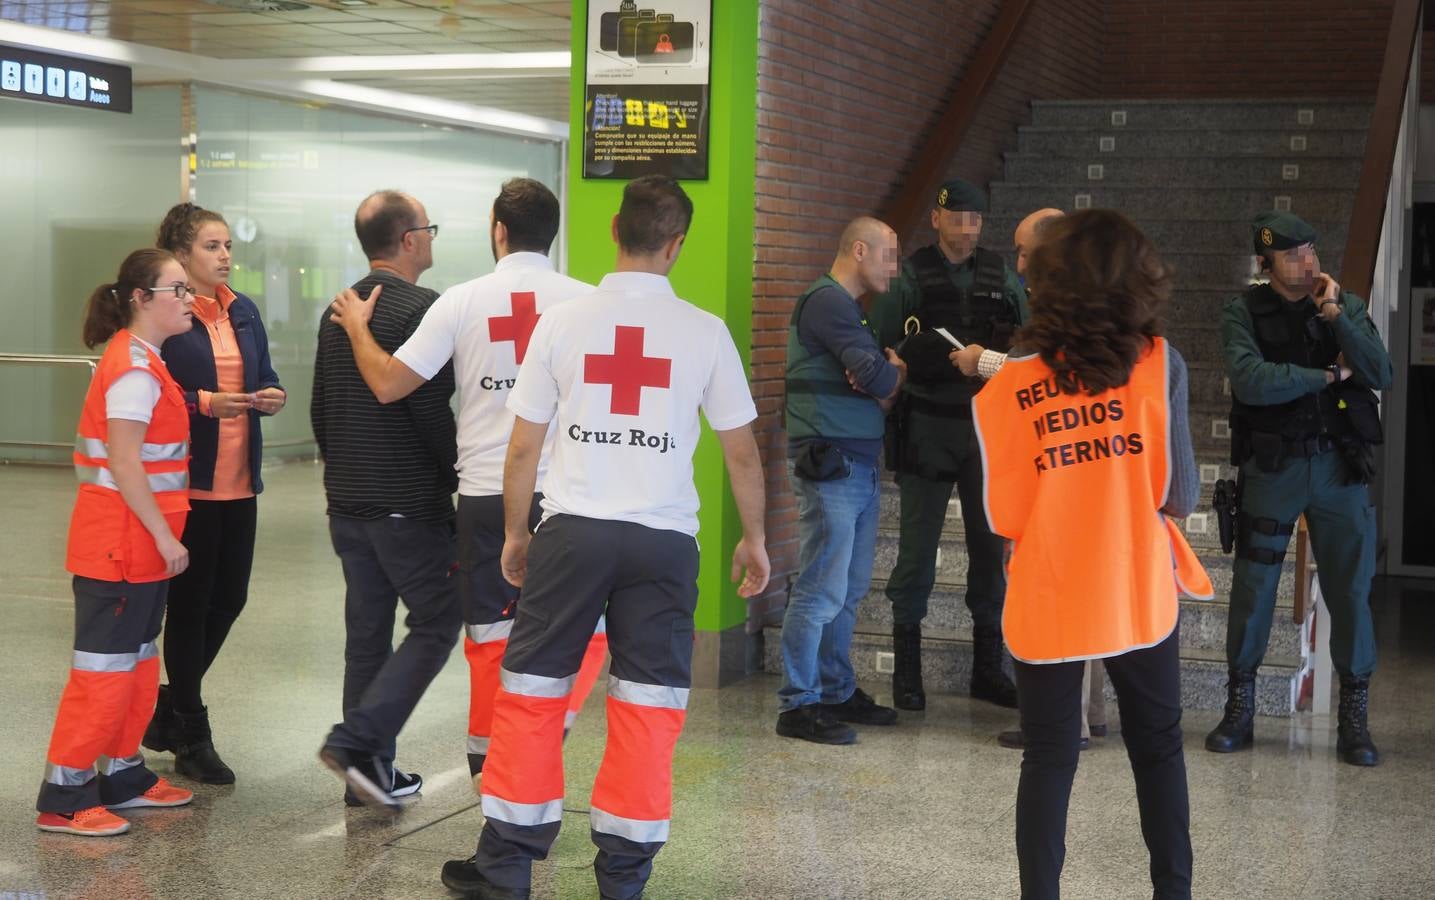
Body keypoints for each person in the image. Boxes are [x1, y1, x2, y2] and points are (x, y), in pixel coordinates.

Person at [439, 175, 770, 900]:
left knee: (529, 694)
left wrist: (517, 535)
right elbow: (741, 451)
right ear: (676, 245)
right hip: (662, 545)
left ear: (614, 230)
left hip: (573, 533)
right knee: (649, 705)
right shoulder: (703, 332)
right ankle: (622, 877)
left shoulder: (564, 322)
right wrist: (754, 539)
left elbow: (523, 448)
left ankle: (506, 868)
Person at [326, 179, 610, 784]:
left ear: (497, 230)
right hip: (567, 496)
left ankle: (492, 765)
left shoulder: (458, 301)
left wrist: (357, 328)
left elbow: (388, 385)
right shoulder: (589, 303)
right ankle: (540, 743)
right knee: (579, 635)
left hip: (485, 495)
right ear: (554, 232)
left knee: (490, 641)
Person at [972, 209, 1211, 899]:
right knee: (1157, 749)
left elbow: (1002, 514)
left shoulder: (1009, 383)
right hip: (1135, 583)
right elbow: (1179, 494)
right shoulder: (1159, 364)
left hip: (1048, 586)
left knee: (1047, 759)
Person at [1205, 211, 1392, 766]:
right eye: (1293, 254)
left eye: (1310, 249)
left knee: (1351, 592)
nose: (1308, 261)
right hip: (1274, 469)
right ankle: (1240, 706)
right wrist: (1328, 377)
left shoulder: (1344, 306)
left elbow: (1380, 372)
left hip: (1338, 471)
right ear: (1266, 264)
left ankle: (1353, 719)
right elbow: (1252, 382)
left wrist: (1337, 318)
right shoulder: (1243, 312)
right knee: (1254, 587)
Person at [37, 249, 197, 836]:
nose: (188, 300)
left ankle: (123, 773)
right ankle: (66, 795)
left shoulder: (147, 361)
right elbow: (127, 465)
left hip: (141, 548)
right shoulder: (132, 367)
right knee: (103, 671)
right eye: (176, 290)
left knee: (135, 665)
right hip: (123, 545)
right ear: (140, 298)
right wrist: (163, 536)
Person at [310, 190, 460, 807]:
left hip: (348, 502)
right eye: (428, 227)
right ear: (408, 240)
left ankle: (367, 776)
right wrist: (454, 471)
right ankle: (358, 745)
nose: (431, 236)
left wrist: (344, 475)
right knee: (439, 619)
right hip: (407, 503)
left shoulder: (337, 310)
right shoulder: (426, 308)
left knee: (366, 633)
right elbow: (428, 409)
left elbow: (322, 409)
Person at [868, 178, 1027, 711]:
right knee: (916, 553)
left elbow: (1029, 348)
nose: (966, 228)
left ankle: (989, 668)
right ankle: (906, 675)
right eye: (956, 217)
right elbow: (881, 345)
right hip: (927, 427)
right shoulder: (911, 275)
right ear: (936, 219)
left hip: (987, 429)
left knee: (990, 548)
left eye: (975, 219)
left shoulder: (1001, 274)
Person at [143, 204, 285, 785]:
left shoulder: (242, 309)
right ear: (181, 254)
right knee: (193, 605)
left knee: (231, 599)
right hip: (190, 483)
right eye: (211, 246)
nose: (225, 255)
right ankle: (191, 729)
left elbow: (263, 372)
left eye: (227, 245)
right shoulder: (169, 312)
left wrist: (269, 393)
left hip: (238, 480)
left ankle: (167, 708)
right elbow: (155, 382)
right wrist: (204, 402)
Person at [966, 208, 1109, 753]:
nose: (1018, 263)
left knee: (1057, 605)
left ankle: (1060, 722)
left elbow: (1046, 378)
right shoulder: (1101, 305)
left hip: (1063, 482)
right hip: (1083, 480)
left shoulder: (1067, 310)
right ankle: (1089, 714)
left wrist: (983, 363)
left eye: (1026, 252)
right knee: (1084, 603)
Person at [777, 216, 906, 745]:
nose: (894, 269)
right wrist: (892, 369)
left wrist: (884, 372)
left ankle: (834, 689)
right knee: (819, 589)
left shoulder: (850, 311)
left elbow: (878, 381)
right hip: (831, 466)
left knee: (847, 591)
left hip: (859, 464)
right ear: (859, 250)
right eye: (889, 256)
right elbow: (878, 379)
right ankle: (798, 703)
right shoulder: (828, 302)